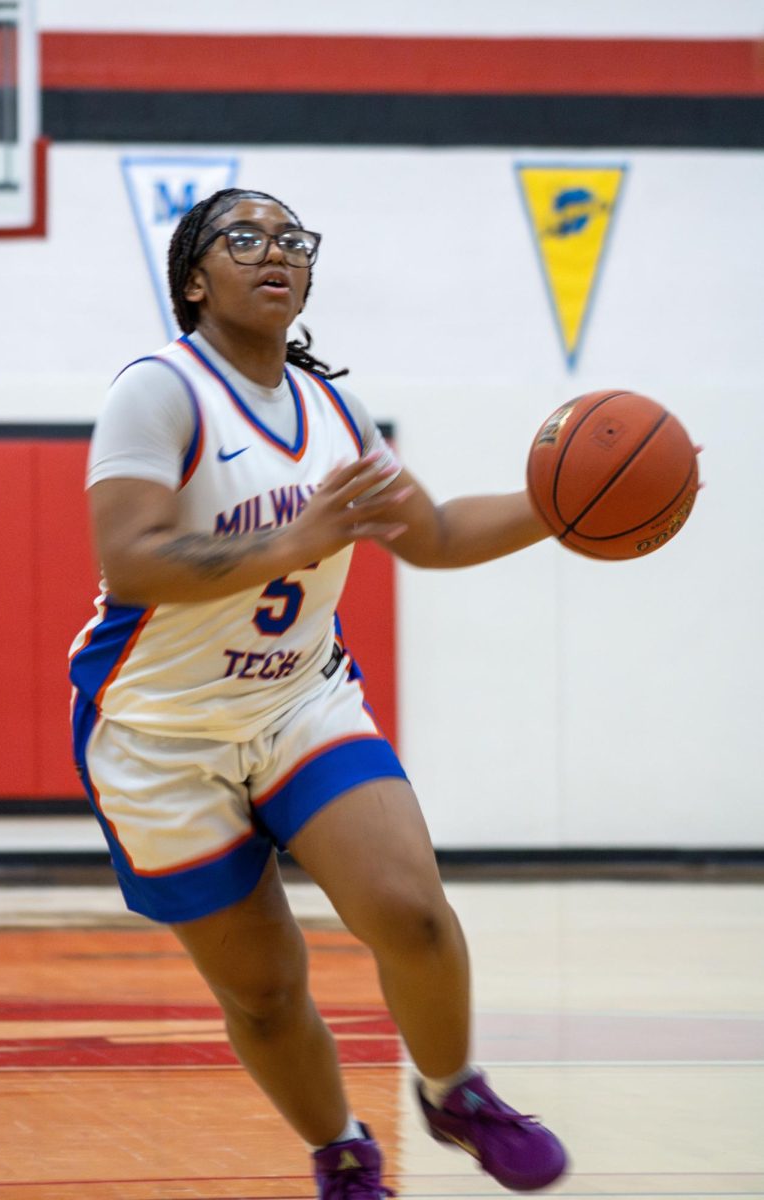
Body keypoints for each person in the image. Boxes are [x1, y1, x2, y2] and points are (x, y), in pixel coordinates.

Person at [69, 187, 567, 1197]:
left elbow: (432, 538)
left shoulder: (333, 408)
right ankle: (341, 1152)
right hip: (158, 737)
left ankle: (451, 1088)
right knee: (262, 989)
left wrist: (563, 505)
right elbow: (129, 561)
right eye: (243, 237)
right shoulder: (160, 391)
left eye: (293, 237)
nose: (275, 251)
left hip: (299, 700)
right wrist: (294, 542)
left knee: (410, 911)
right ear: (194, 278)